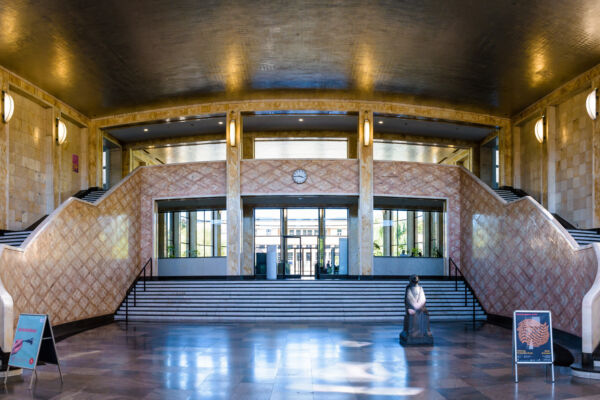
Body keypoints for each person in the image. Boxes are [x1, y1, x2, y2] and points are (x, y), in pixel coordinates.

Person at [399, 275, 433, 345]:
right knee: (411, 313)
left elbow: (423, 298)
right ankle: (411, 332)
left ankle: (425, 332)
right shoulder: (408, 288)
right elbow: (408, 299)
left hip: (420, 307)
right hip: (411, 307)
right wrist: (412, 307)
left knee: (425, 313)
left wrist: (419, 306)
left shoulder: (420, 288)